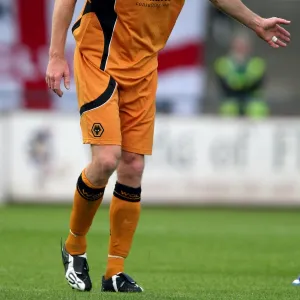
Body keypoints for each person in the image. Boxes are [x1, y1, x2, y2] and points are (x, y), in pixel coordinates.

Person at [46, 0, 290, 293]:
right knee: (107, 160)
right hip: (99, 58)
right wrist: (56, 54)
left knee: (133, 165)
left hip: (143, 66)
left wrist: (255, 22)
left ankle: (115, 271)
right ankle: (75, 247)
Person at [214, 33, 268, 118]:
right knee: (228, 108)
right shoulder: (223, 63)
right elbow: (225, 85)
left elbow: (256, 84)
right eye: (238, 46)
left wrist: (237, 82)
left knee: (257, 108)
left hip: (251, 98)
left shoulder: (257, 63)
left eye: (243, 46)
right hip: (231, 98)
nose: (240, 49)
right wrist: (244, 82)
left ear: (249, 48)